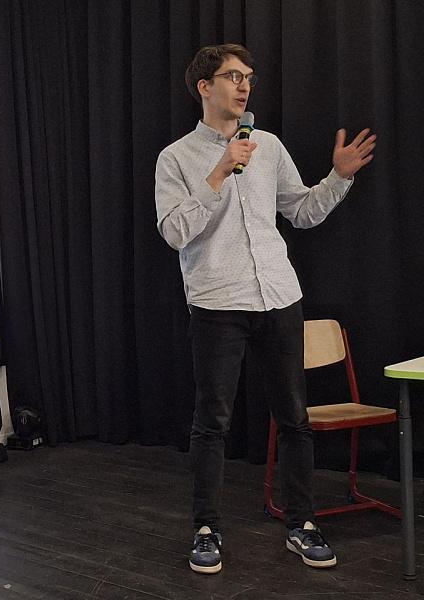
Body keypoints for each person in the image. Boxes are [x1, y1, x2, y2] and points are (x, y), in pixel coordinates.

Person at [154, 44, 376, 575]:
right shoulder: (176, 157)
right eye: (233, 76)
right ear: (205, 86)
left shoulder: (269, 145)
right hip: (217, 302)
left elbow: (300, 212)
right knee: (213, 422)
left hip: (278, 295)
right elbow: (175, 232)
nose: (244, 86)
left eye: (248, 77)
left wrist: (338, 178)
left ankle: (302, 524)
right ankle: (206, 530)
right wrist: (219, 172)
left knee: (294, 419)